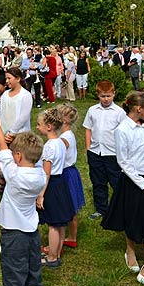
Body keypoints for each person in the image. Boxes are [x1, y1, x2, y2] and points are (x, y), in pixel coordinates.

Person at [0, 101, 46, 286]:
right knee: (35, 281)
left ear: (18, 156)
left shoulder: (15, 174)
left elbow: (0, 142)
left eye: (14, 154)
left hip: (13, 237)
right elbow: (8, 147)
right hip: (32, 235)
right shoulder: (39, 174)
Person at [101, 92, 144, 285]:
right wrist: (143, 183)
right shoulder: (122, 130)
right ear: (139, 109)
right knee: (132, 216)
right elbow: (124, 161)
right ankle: (130, 251)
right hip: (134, 180)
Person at [36, 108, 75, 268]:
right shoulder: (60, 142)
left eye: (39, 125)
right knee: (61, 223)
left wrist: (41, 195)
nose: (37, 127)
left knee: (53, 224)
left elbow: (46, 173)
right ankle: (57, 252)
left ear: (49, 126)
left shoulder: (49, 147)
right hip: (61, 184)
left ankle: (52, 257)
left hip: (51, 186)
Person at [83, 80, 126, 220]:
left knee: (116, 181)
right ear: (98, 95)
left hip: (112, 153)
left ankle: (120, 208)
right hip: (96, 152)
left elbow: (124, 133)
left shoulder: (119, 112)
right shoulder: (92, 110)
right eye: (103, 96)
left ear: (114, 94)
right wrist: (88, 147)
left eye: (108, 96)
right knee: (98, 181)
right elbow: (88, 129)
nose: (106, 99)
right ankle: (101, 208)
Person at [58, 103, 85, 249]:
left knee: (67, 207)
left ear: (63, 120)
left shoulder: (64, 138)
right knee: (71, 207)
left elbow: (61, 148)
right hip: (70, 172)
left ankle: (65, 239)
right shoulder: (67, 134)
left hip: (66, 174)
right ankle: (72, 237)